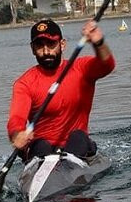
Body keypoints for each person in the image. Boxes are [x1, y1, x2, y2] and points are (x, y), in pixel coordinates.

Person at [7, 18, 115, 162]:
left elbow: (107, 65)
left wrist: (98, 43)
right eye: (39, 46)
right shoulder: (24, 83)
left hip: (77, 147)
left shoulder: (81, 69)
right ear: (32, 49)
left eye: (51, 44)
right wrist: (16, 135)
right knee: (41, 146)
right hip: (42, 150)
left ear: (62, 44)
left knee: (78, 137)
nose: (46, 52)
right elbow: (17, 118)